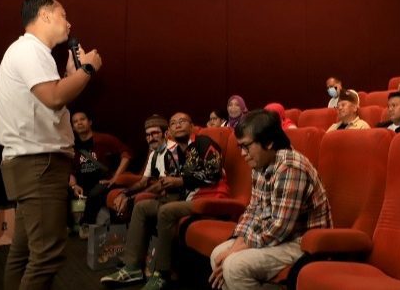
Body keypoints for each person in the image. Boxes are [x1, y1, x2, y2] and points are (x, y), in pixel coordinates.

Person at [0, 0, 103, 290]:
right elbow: (54, 98)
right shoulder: (31, 50)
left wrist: (71, 76)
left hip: (31, 164)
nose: (69, 23)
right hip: (38, 165)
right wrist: (88, 69)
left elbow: (51, 100)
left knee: (23, 253)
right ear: (44, 15)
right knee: (47, 257)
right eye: (63, 15)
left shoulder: (27, 51)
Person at [101, 112, 228, 289]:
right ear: (170, 131)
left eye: (182, 121)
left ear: (192, 126)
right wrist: (130, 194)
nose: (178, 125)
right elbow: (169, 182)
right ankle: (132, 267)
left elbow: (213, 174)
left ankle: (162, 273)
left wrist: (179, 181)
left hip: (209, 198)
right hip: (185, 198)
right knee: (142, 207)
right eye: (173, 123)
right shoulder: (173, 153)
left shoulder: (203, 142)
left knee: (166, 211)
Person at [209, 110, 332, 290]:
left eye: (246, 146)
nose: (242, 153)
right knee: (217, 255)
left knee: (234, 266)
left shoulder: (289, 167)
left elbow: (279, 227)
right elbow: (253, 210)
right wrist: (237, 242)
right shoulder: (259, 163)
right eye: (240, 147)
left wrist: (235, 250)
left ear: (268, 142)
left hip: (302, 242)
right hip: (278, 237)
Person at [69, 111, 132, 238]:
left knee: (95, 193)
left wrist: (115, 177)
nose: (79, 123)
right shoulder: (73, 146)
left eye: (82, 119)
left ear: (90, 122)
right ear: (73, 128)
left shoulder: (104, 139)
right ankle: (71, 228)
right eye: (75, 121)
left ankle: (87, 225)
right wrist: (74, 185)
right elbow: (70, 170)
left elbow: (126, 154)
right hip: (81, 184)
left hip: (102, 182)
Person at [110, 114, 179, 220]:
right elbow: (143, 182)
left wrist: (130, 198)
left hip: (175, 195)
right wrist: (124, 193)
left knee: (136, 201)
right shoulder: (154, 153)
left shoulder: (173, 151)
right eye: (148, 135)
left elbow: (162, 185)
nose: (151, 138)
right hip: (162, 191)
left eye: (155, 133)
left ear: (166, 133)